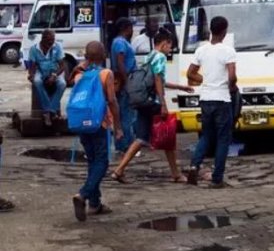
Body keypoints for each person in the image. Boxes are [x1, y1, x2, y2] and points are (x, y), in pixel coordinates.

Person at [111, 30, 193, 184]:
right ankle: (176, 174)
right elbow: (157, 80)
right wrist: (163, 104)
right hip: (153, 102)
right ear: (164, 44)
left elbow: (158, 81)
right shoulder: (160, 57)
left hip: (143, 101)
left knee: (141, 138)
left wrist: (181, 87)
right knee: (168, 138)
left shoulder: (150, 56)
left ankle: (119, 170)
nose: (170, 50)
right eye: (170, 47)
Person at [70, 41, 123, 222]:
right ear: (103, 56)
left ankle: (95, 203)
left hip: (82, 124)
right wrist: (118, 126)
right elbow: (112, 102)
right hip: (99, 124)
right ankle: (83, 195)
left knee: (93, 162)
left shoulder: (79, 76)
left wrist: (84, 62)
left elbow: (73, 77)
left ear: (86, 56)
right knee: (102, 162)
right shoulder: (106, 74)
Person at [186, 16, 238, 188]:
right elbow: (232, 76)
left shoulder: (202, 50)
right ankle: (217, 178)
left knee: (207, 135)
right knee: (223, 138)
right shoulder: (228, 51)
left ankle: (194, 165)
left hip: (206, 98)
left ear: (211, 30)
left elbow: (190, 73)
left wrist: (205, 80)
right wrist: (231, 86)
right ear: (224, 31)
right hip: (222, 98)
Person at [27, 30, 67, 127]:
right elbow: (32, 65)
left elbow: (62, 66)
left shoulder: (57, 46)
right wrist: (31, 75)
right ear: (43, 39)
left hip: (55, 71)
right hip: (40, 71)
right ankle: (50, 111)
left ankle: (49, 111)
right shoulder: (34, 49)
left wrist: (54, 76)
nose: (52, 43)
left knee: (62, 84)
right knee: (37, 81)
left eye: (53, 40)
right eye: (49, 41)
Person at [110, 18, 137, 153]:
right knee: (126, 114)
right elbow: (120, 63)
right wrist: (127, 81)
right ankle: (125, 145)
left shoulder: (119, 42)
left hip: (124, 79)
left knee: (124, 113)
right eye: (131, 27)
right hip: (125, 80)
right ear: (126, 28)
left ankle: (125, 144)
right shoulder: (120, 42)